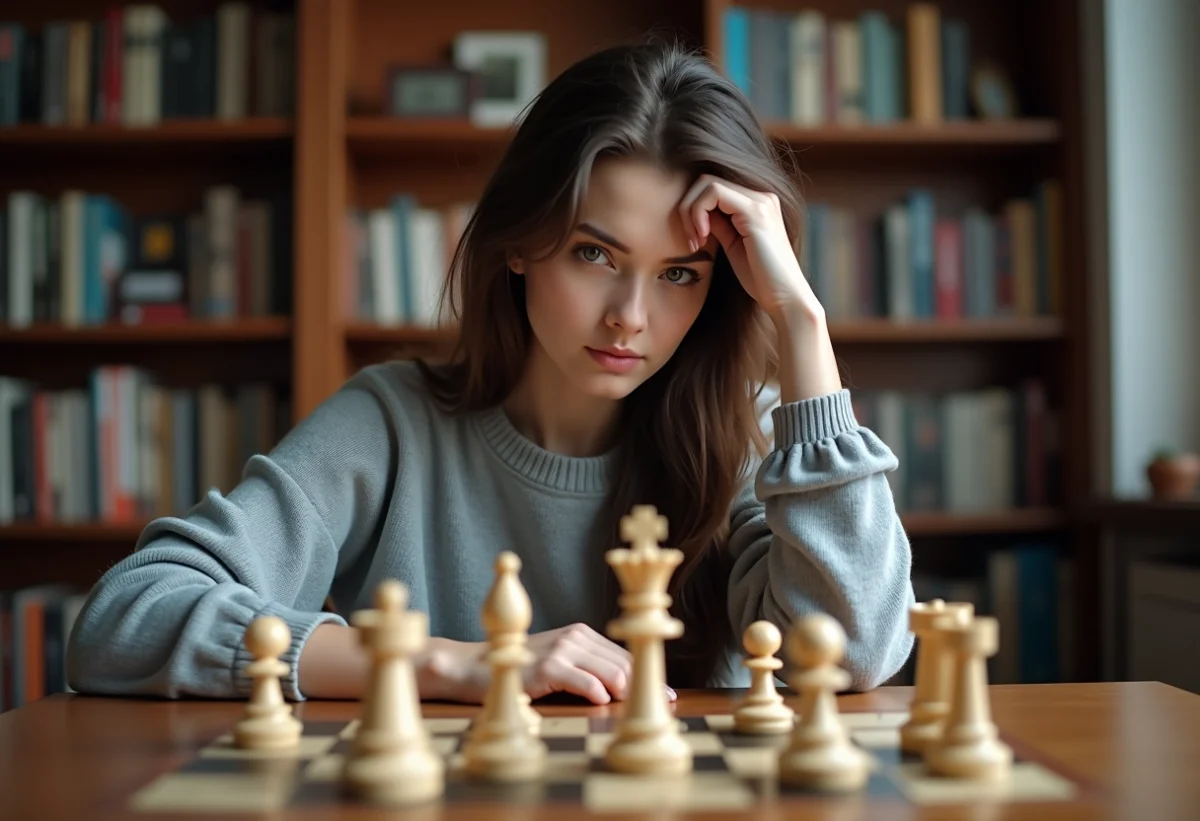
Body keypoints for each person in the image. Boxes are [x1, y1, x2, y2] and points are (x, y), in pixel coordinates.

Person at [65, 39, 915, 707]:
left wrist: (802, 322)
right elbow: (121, 620)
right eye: (594, 253)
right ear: (518, 242)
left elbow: (853, 654)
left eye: (679, 274)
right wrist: (459, 663)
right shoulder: (391, 425)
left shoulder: (747, 435)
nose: (630, 314)